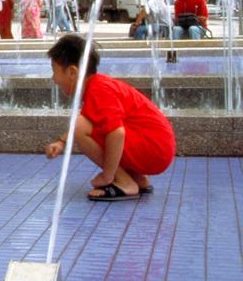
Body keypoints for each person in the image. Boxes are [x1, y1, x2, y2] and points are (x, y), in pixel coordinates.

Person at [44, 34, 175, 201]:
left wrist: (107, 175)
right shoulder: (97, 85)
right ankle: (138, 178)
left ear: (72, 72)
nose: (53, 78)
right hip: (157, 148)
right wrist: (62, 142)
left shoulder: (99, 89)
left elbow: (117, 133)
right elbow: (89, 119)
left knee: (82, 127)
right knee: (86, 125)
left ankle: (124, 181)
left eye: (54, 69)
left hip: (154, 149)